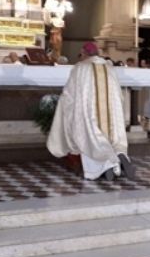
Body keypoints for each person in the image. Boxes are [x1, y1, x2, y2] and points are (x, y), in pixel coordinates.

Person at [47, 42, 134, 181]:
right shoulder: (109, 67)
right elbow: (118, 93)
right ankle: (119, 154)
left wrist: (64, 106)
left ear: (84, 53)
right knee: (112, 136)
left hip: (89, 111)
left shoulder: (81, 67)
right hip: (111, 112)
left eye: (81, 54)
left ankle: (106, 164)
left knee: (87, 136)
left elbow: (69, 94)